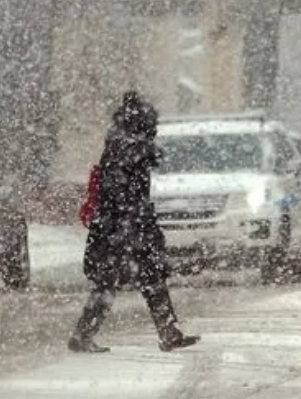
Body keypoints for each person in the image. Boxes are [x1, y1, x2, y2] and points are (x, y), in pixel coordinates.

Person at [68, 91, 201, 353]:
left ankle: (167, 331)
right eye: (153, 125)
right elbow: (133, 176)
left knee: (133, 280)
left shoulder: (119, 143)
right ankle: (86, 334)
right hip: (124, 226)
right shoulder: (127, 146)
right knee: (128, 281)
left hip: (121, 225)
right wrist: (133, 222)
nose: (155, 131)